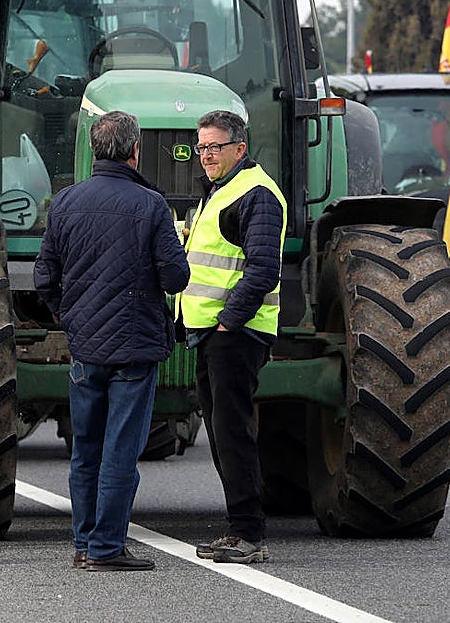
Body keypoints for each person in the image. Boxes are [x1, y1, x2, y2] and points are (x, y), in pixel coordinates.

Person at [34, 110, 189, 572]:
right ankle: (106, 548)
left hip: (85, 348)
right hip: (136, 346)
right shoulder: (150, 204)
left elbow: (45, 277)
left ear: (94, 149)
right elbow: (176, 277)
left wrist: (71, 317)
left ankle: (83, 544)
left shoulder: (65, 202)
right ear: (135, 149)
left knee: (86, 449)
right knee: (121, 450)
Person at [180, 110, 285, 565]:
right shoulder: (222, 191)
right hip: (213, 333)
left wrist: (229, 321)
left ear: (240, 149)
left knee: (233, 432)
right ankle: (240, 530)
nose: (205, 155)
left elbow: (263, 267)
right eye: (200, 147)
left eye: (214, 147)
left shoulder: (255, 193)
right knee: (223, 434)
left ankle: (247, 534)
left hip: (234, 333)